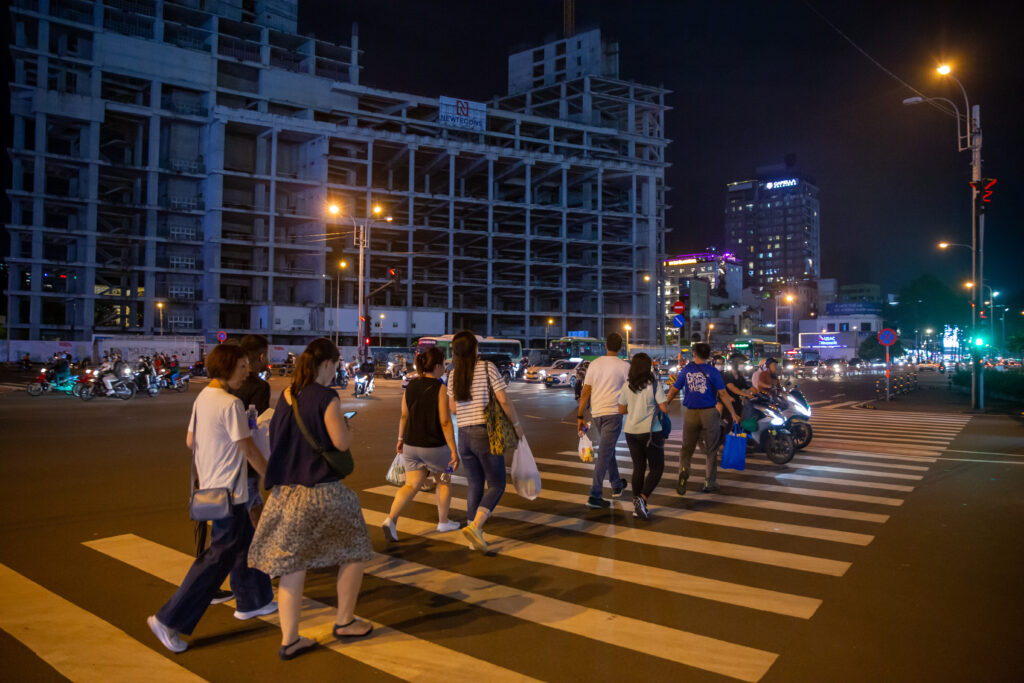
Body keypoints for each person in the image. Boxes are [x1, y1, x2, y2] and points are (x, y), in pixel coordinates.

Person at [248, 338, 373, 660]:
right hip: (323, 493)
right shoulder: (326, 396)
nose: (337, 372)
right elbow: (340, 443)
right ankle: (344, 621)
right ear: (328, 363)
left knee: (294, 564)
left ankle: (290, 640)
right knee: (356, 549)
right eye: (337, 364)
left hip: (286, 495)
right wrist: (346, 427)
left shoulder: (288, 395)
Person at [147, 344, 273, 654]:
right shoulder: (230, 404)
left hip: (212, 487)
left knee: (246, 544)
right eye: (242, 366)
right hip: (230, 490)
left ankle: (252, 601)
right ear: (229, 367)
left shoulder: (203, 398)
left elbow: (191, 441)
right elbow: (248, 449)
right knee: (219, 556)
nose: (246, 372)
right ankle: (169, 620)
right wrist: (273, 475)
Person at [447, 330, 524, 552]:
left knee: (475, 484)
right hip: (485, 432)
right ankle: (476, 526)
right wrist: (517, 426)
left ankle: (474, 532)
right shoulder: (487, 367)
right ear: (474, 348)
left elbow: (453, 408)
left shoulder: (453, 374)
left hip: (463, 435)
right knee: (497, 484)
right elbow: (504, 400)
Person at [382, 346, 460, 542]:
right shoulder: (440, 388)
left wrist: (400, 440)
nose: (445, 367)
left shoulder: (411, 386)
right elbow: (445, 421)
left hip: (411, 446)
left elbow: (403, 415)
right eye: (443, 364)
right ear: (436, 366)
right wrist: (453, 449)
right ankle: (443, 521)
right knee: (443, 481)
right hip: (435, 448)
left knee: (411, 485)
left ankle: (390, 519)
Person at [665, 342, 740, 495]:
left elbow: (673, 390)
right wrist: (733, 413)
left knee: (687, 448)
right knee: (711, 449)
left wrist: (665, 406)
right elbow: (724, 394)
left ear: (694, 354)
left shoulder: (686, 370)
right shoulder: (713, 371)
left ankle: (684, 471)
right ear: (708, 356)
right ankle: (709, 482)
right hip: (709, 413)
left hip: (691, 413)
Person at [575, 332, 630, 509]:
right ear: (620, 347)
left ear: (606, 345)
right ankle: (595, 494)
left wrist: (580, 416)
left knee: (608, 450)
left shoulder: (595, 364)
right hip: (614, 414)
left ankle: (616, 485)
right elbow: (630, 392)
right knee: (605, 453)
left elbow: (585, 392)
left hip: (597, 414)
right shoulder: (624, 366)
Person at [617, 353, 669, 521]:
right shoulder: (653, 385)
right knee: (657, 468)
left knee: (638, 467)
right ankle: (643, 498)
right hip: (651, 432)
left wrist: (634, 408)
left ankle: (637, 506)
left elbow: (621, 410)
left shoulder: (627, 386)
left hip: (631, 431)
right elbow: (664, 408)